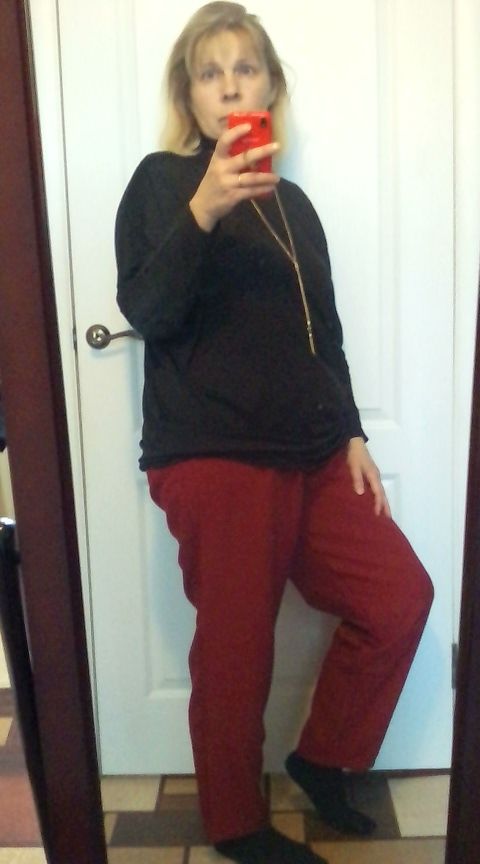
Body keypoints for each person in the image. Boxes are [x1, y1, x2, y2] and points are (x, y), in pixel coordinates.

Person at [115, 3, 434, 862]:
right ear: (189, 95)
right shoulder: (160, 183)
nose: (229, 86)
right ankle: (235, 824)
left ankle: (324, 758)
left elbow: (323, 331)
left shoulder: (296, 205)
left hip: (316, 452)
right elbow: (146, 307)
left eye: (245, 68)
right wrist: (204, 208)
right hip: (213, 454)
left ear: (270, 88)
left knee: (399, 599)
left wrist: (353, 431)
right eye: (210, 72)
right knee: (237, 645)